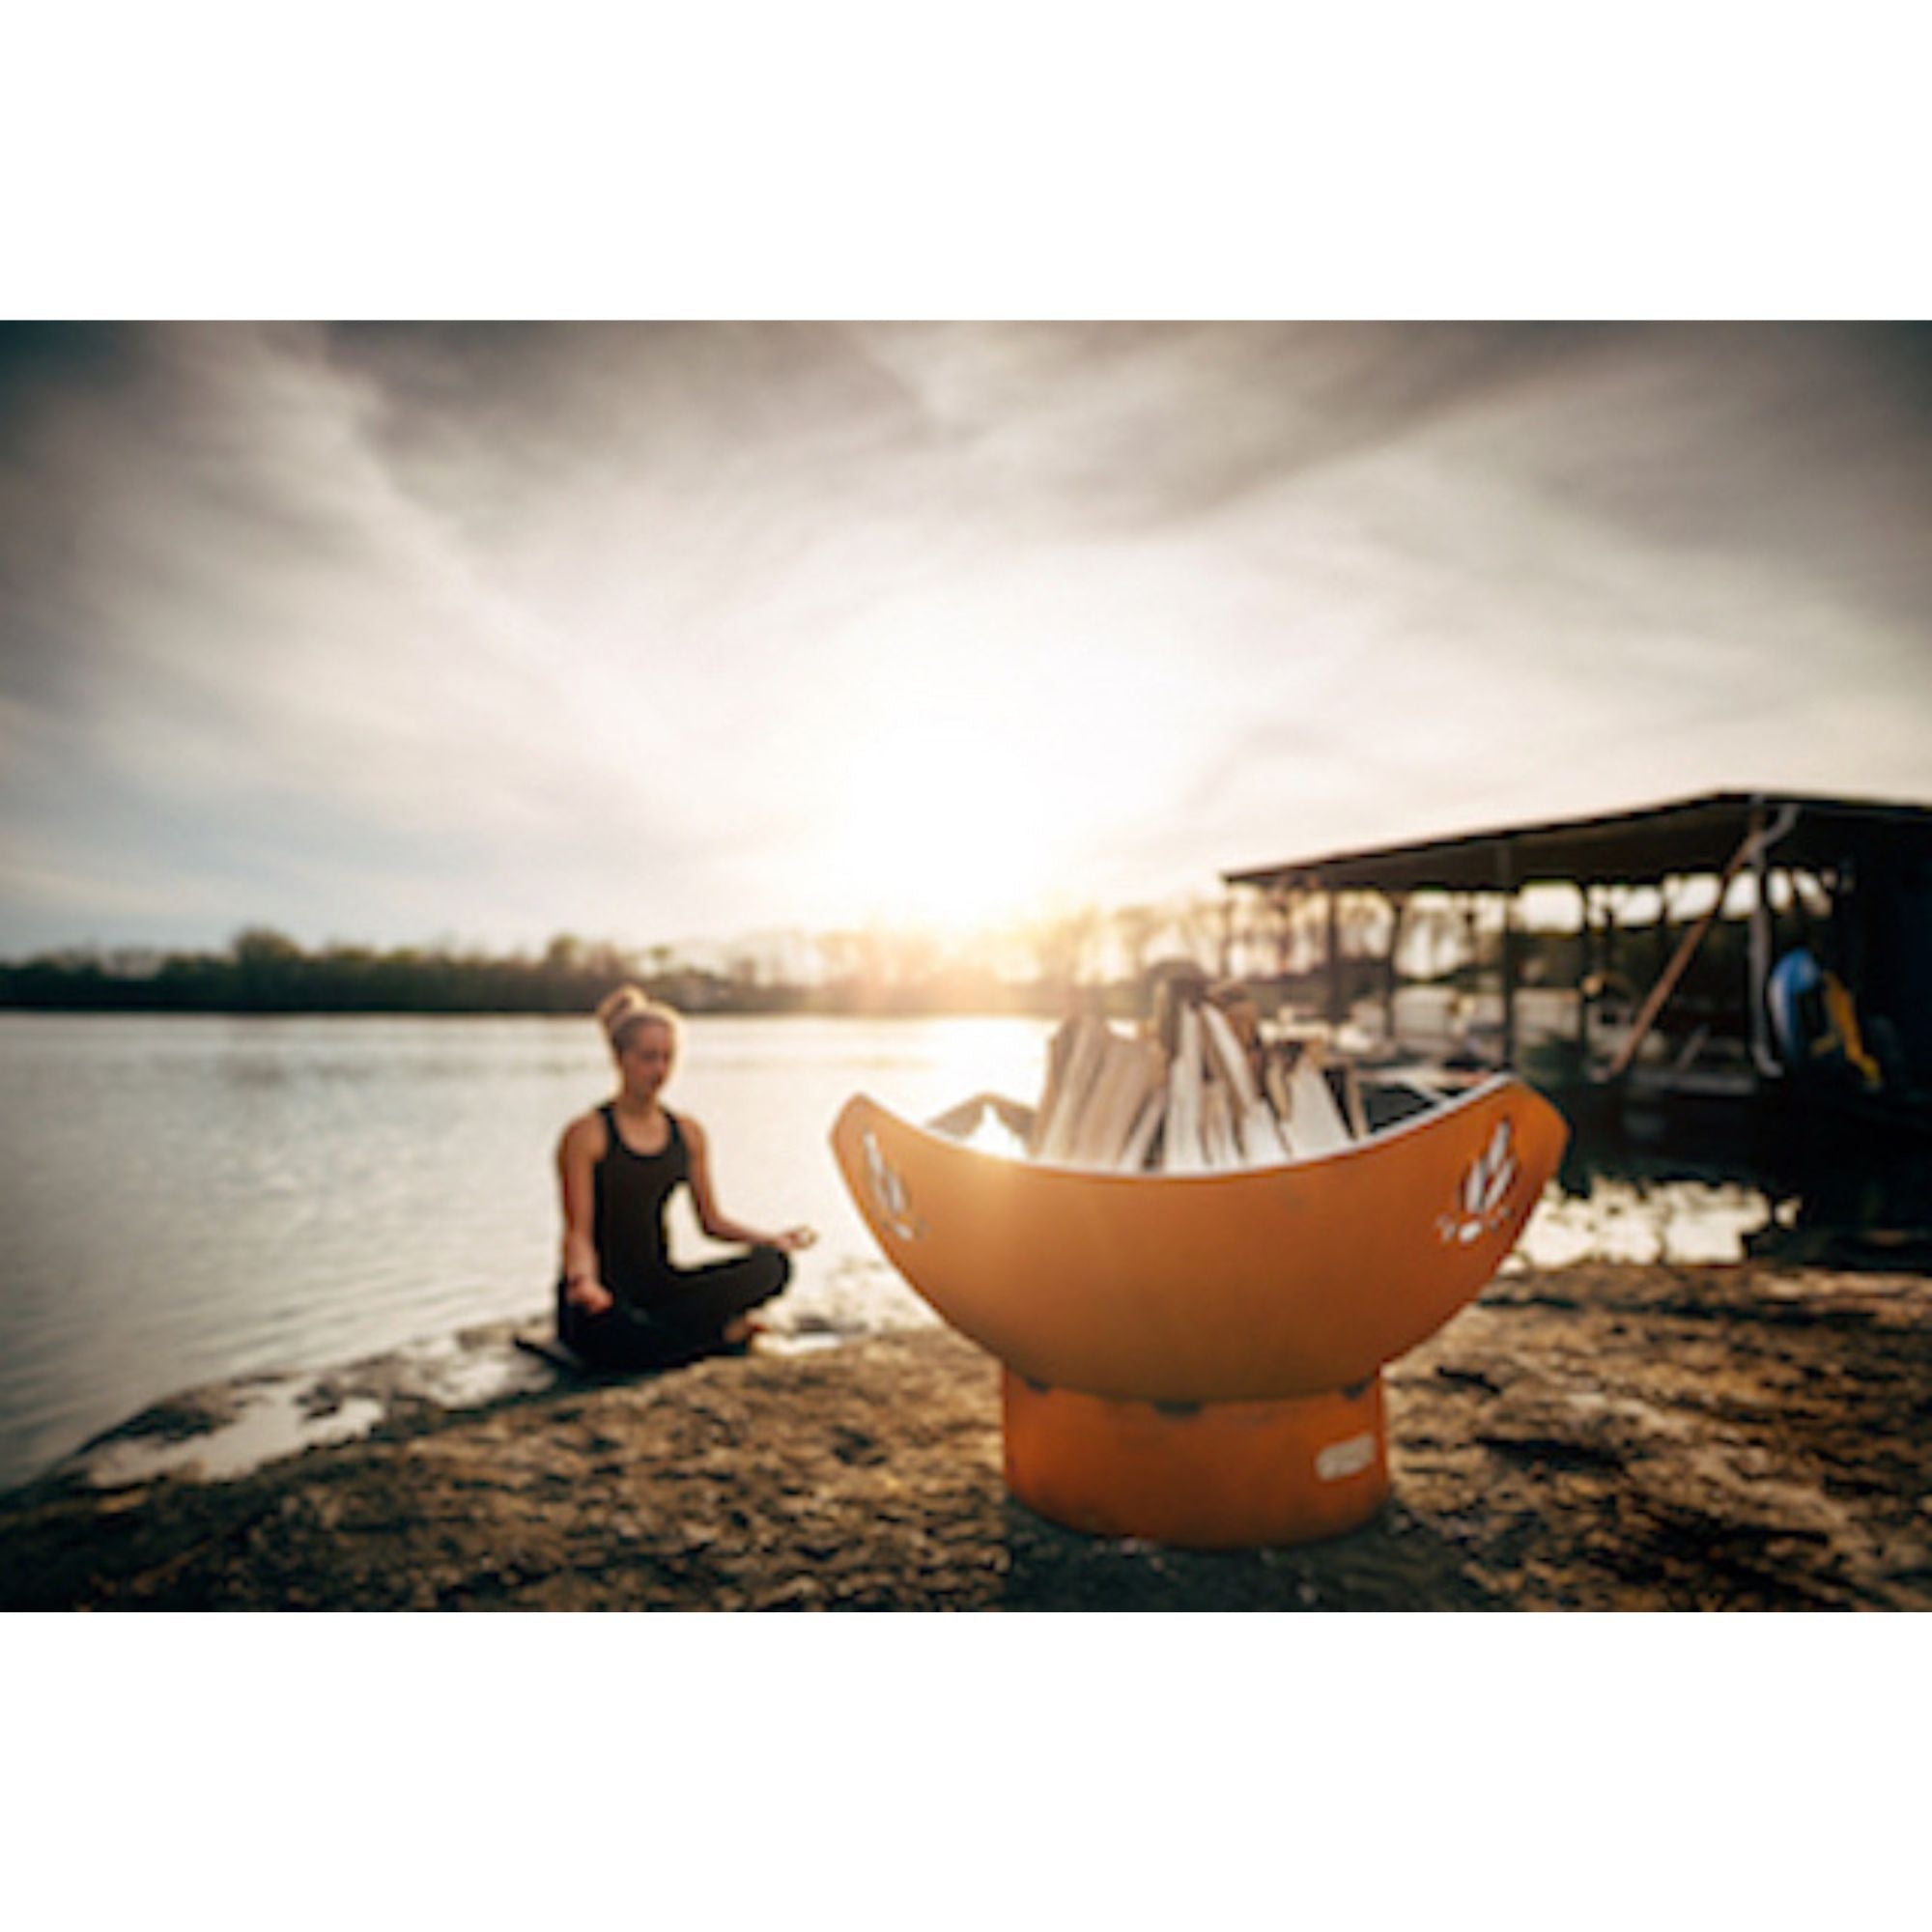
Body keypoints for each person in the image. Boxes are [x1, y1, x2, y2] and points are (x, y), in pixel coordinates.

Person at [554, 985, 815, 1369]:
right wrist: (583, 1283)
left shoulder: (687, 1132)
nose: (659, 1070)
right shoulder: (587, 1134)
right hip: (603, 1295)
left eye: (667, 1058)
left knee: (772, 1266)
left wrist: (771, 1239)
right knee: (609, 1332)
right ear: (619, 1058)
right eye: (648, 1058)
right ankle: (716, 1336)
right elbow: (577, 1232)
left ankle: (675, 1336)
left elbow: (711, 1222)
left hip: (661, 1285)